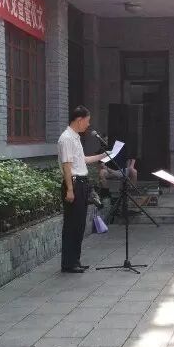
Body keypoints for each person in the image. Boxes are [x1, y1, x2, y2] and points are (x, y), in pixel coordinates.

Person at [58, 106, 104, 273]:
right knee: (72, 225)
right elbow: (67, 166)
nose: (88, 124)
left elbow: (81, 160)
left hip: (81, 183)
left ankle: (75, 260)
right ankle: (68, 263)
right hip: (74, 184)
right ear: (79, 120)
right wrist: (70, 190)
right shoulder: (66, 138)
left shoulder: (75, 137)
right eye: (87, 121)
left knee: (79, 225)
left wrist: (103, 156)